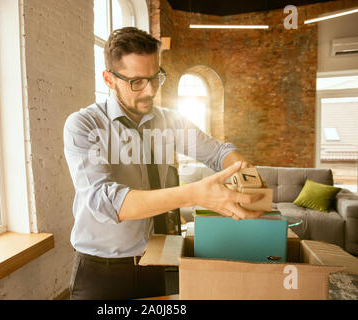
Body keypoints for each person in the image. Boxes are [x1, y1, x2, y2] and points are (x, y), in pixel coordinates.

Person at [63, 27, 264, 300]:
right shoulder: (84, 124)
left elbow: (218, 153)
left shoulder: (171, 121)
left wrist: (248, 177)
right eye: (137, 82)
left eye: (155, 78)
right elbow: (104, 201)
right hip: (101, 273)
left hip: (154, 264)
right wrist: (195, 193)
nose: (150, 91)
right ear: (109, 79)